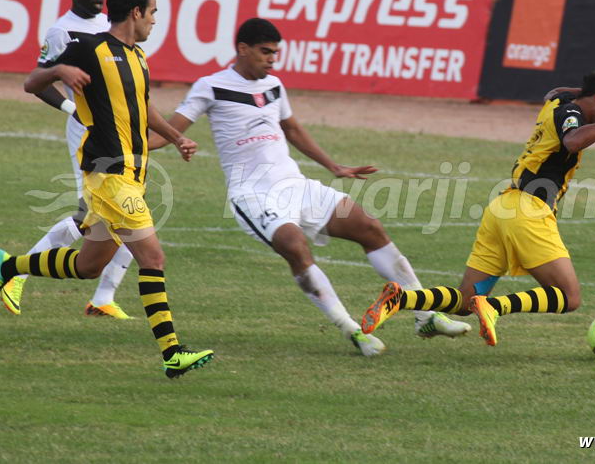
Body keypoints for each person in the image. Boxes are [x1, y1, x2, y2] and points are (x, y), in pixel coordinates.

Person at [149, 18, 470, 357]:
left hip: (295, 185)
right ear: (242, 49)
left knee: (369, 226)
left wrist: (333, 166)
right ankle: (352, 331)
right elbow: (169, 131)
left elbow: (293, 130)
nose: (272, 59)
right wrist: (144, 144)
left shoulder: (274, 85)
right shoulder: (210, 86)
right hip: (252, 194)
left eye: (275, 53)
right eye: (265, 52)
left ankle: (425, 315)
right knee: (294, 245)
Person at [0, 0, 214, 379]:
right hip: (109, 175)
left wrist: (176, 137)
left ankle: (7, 266)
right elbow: (31, 82)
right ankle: (172, 353)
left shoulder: (139, 56)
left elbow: (143, 106)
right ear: (136, 12)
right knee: (153, 257)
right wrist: (60, 69)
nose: (156, 20)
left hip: (132, 174)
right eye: (154, 12)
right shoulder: (89, 47)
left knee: (90, 266)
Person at [361, 63, 595, 347]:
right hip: (528, 212)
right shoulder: (571, 113)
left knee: (464, 301)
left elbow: (553, 91)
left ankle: (402, 297)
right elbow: (573, 141)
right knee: (569, 296)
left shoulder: (561, 102)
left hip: (503, 209)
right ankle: (496, 308)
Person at [0, 0, 135, 320]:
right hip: (87, 135)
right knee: (94, 217)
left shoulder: (111, 25)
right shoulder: (62, 31)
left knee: (132, 217)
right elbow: (38, 80)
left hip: (115, 131)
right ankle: (14, 273)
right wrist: (71, 109)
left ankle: (103, 298)